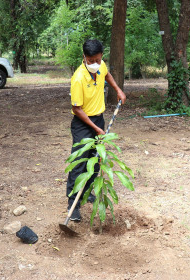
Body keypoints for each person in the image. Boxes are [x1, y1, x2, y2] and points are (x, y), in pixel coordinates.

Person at [66, 39, 126, 222]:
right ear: (84, 57)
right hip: (83, 123)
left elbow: (106, 75)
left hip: (98, 118)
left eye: (97, 60)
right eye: (90, 60)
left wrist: (118, 89)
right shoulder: (78, 78)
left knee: (97, 160)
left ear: (102, 57)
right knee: (79, 162)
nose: (94, 64)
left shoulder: (101, 66)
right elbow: (77, 109)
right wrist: (96, 128)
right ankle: (73, 205)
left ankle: (87, 193)